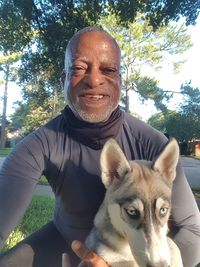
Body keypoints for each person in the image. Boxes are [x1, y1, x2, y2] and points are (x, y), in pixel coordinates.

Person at [0, 26, 199, 267]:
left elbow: (193, 229)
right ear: (63, 79)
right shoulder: (38, 145)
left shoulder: (153, 144)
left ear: (119, 81)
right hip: (65, 242)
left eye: (108, 69)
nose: (94, 79)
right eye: (79, 68)